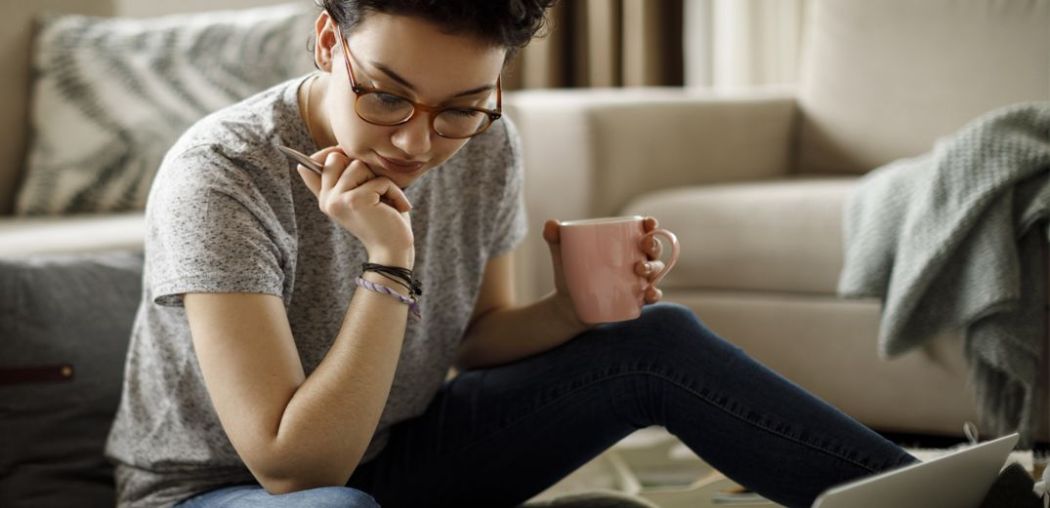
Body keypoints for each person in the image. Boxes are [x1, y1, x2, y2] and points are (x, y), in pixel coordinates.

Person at [102, 1, 953, 507]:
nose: (419, 139)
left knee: (654, 342)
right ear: (329, 43)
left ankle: (949, 498)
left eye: (463, 105)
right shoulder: (222, 172)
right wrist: (388, 265)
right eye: (387, 96)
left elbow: (477, 337)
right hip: (224, 492)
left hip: (398, 455)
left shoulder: (483, 144)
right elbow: (291, 465)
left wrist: (573, 312)